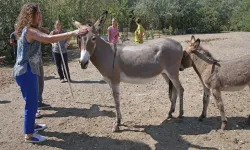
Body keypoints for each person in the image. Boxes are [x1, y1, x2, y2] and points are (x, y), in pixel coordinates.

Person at [13, 3, 88, 143]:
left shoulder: (31, 30)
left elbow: (46, 36)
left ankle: (32, 125)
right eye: (38, 14)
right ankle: (29, 135)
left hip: (29, 70)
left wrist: (49, 32)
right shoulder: (30, 31)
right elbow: (48, 39)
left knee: (33, 101)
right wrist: (73, 32)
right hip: (26, 71)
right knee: (31, 103)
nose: (40, 16)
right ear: (30, 16)